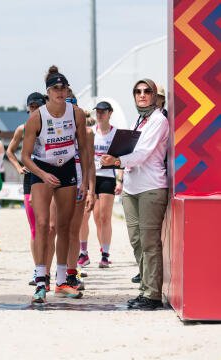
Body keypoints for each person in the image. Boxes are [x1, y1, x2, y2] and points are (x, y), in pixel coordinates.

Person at [21, 65, 89, 303]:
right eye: (55, 88)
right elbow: (25, 156)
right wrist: (42, 173)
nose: (60, 92)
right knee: (42, 225)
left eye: (63, 88)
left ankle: (62, 280)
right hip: (42, 168)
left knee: (64, 226)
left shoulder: (76, 113)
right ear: (48, 92)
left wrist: (86, 182)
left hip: (68, 167)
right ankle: (41, 280)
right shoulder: (37, 116)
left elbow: (85, 150)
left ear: (67, 90)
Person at [101, 78, 169, 310]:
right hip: (131, 188)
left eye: (146, 91)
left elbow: (142, 153)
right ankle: (144, 290)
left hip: (151, 187)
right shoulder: (139, 120)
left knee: (150, 243)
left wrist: (117, 160)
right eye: (137, 91)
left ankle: (153, 295)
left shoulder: (159, 120)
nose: (142, 95)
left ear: (155, 96)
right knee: (137, 242)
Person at [6, 92, 46, 284]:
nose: (34, 110)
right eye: (31, 107)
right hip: (31, 178)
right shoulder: (22, 128)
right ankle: (38, 269)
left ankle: (55, 269)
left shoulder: (50, 125)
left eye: (37, 106)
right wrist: (17, 166)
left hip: (50, 177)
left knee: (50, 226)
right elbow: (9, 150)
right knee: (35, 229)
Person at [78, 101, 122, 269]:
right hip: (90, 176)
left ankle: (105, 254)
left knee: (103, 217)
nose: (100, 114)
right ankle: (83, 252)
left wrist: (120, 180)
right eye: (98, 111)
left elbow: (121, 158)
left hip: (107, 177)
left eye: (103, 111)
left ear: (110, 113)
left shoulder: (115, 133)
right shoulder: (90, 132)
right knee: (84, 215)